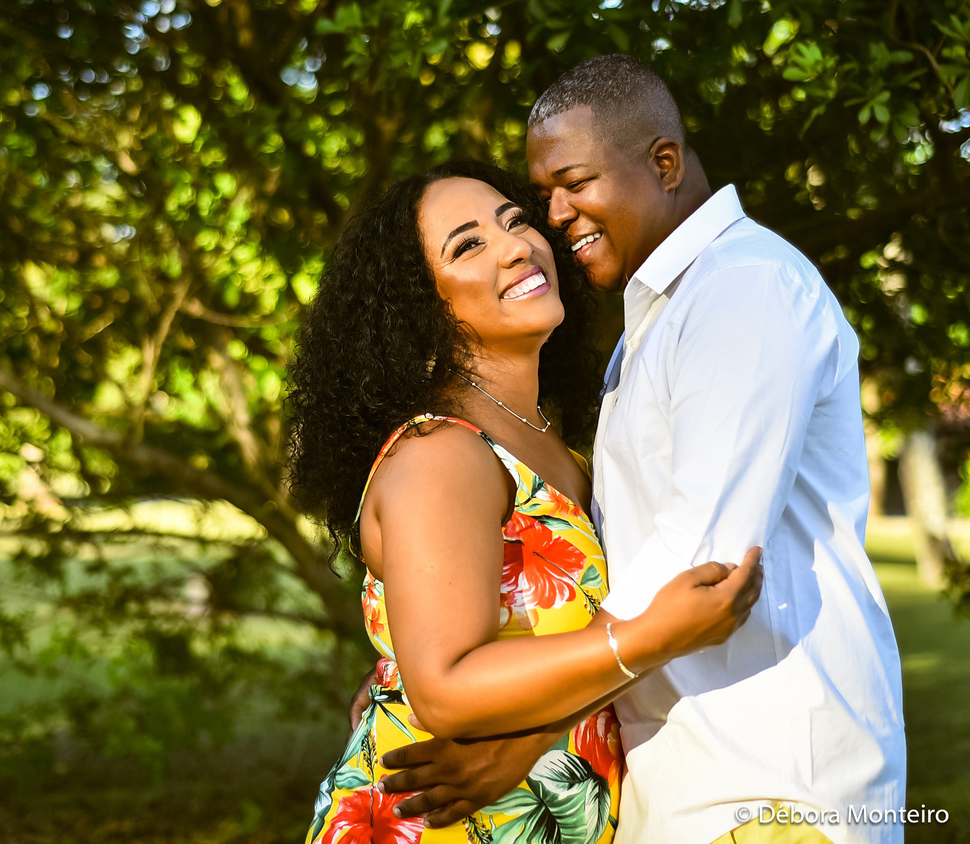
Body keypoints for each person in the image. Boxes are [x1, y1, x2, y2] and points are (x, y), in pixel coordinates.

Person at [375, 55, 907, 844]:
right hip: (685, 780)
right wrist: (405, 652)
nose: (551, 216)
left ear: (663, 163)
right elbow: (604, 570)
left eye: (573, 184)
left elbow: (702, 568)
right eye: (541, 197)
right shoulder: (658, 316)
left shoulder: (742, 290)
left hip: (768, 782)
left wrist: (517, 743)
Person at [289, 158, 763, 844]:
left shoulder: (557, 446)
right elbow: (446, 686)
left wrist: (539, 727)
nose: (516, 244)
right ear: (421, 304)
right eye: (468, 244)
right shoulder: (442, 454)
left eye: (514, 220)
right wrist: (655, 636)